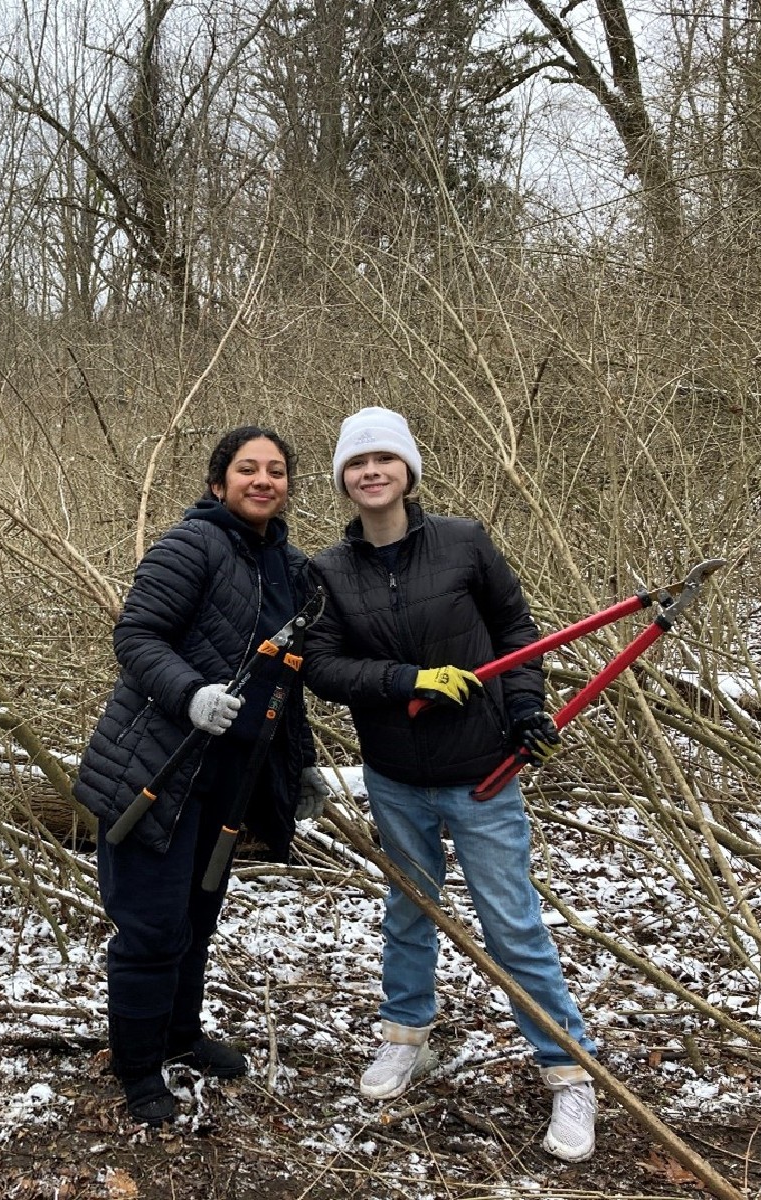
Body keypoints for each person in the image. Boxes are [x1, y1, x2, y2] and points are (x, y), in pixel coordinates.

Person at [303, 407, 597, 1163]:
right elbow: (324, 669)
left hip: (482, 774)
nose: (371, 472)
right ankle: (405, 1037)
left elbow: (517, 632)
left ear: (407, 470)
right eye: (357, 463)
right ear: (343, 478)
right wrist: (406, 680)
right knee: (410, 911)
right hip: (396, 777)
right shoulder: (328, 572)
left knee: (512, 925)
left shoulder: (464, 542)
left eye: (384, 459)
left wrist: (527, 707)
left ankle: (569, 1071)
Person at [75, 426, 327, 1126]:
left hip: (228, 780)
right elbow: (136, 637)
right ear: (219, 483)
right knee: (151, 927)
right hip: (155, 768)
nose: (263, 480)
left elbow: (290, 683)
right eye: (248, 468)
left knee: (195, 919)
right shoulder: (192, 544)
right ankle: (138, 1070)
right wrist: (190, 694)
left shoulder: (294, 570)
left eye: (276, 470)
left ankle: (181, 1038)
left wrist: (298, 766)